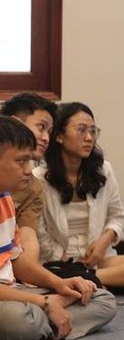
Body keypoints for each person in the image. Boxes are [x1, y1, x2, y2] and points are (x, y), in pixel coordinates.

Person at [0, 116, 115, 340]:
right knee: (18, 322)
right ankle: (47, 320)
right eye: (21, 161)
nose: (28, 170)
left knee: (102, 299)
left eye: (30, 161)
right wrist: (44, 301)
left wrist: (60, 284)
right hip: (10, 301)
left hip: (13, 293)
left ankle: (43, 321)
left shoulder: (6, 200)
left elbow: (17, 262)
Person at [36, 102, 124, 289]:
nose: (89, 138)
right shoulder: (39, 179)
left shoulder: (103, 170)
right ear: (59, 136)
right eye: (81, 130)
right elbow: (39, 234)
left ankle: (89, 278)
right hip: (59, 263)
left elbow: (117, 216)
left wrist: (103, 242)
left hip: (96, 260)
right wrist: (62, 258)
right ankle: (85, 280)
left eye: (93, 131)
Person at [1, 92, 57, 266]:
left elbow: (27, 237)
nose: (46, 138)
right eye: (41, 127)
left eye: (49, 132)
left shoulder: (33, 187)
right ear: (16, 123)